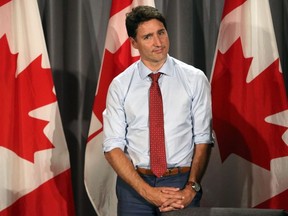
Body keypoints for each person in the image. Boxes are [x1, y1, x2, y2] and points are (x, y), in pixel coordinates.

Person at [103, 5, 213, 215]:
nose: (158, 42)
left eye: (161, 33)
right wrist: (146, 191)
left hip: (181, 183)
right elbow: (112, 146)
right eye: (148, 37)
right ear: (134, 43)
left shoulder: (195, 79)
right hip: (135, 186)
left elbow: (203, 139)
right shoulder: (120, 85)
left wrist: (191, 188)